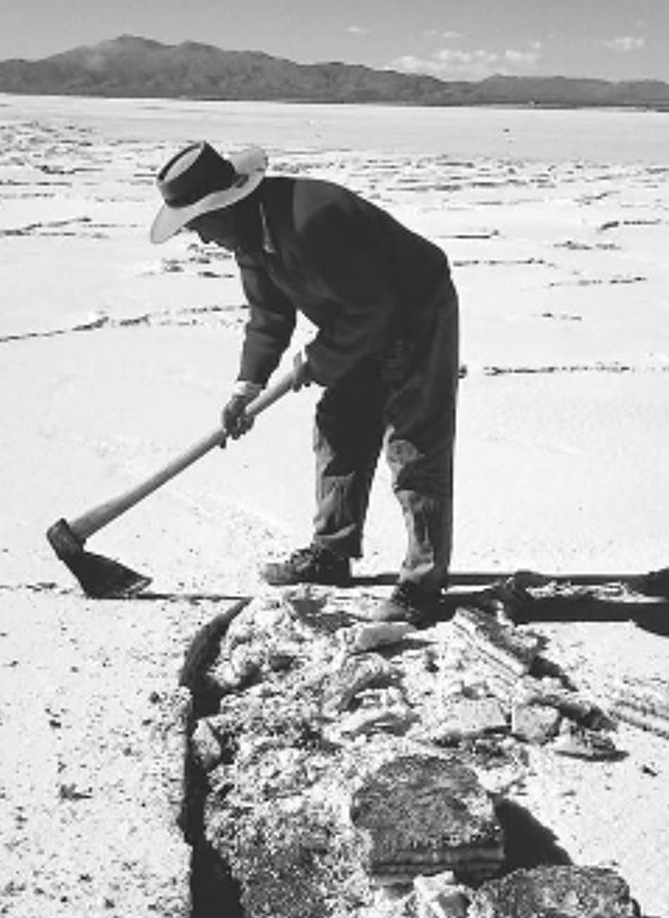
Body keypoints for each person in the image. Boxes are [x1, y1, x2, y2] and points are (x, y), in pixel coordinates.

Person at [149, 140, 459, 626]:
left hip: (416, 312)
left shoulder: (312, 218)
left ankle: (424, 584)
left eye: (199, 224)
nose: (202, 239)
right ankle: (331, 552)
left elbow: (375, 308)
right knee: (341, 423)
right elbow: (269, 316)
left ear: (224, 206)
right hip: (355, 321)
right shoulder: (248, 238)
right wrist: (246, 387)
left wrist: (317, 359)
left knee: (413, 443)